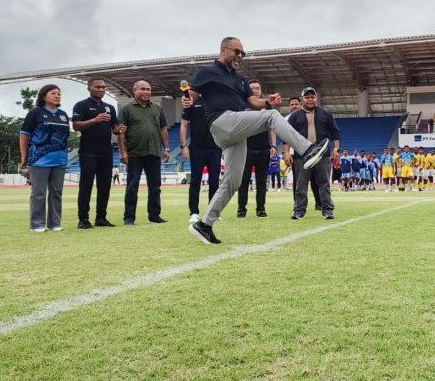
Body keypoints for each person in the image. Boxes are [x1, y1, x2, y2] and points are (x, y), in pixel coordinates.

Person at [187, 37, 329, 244]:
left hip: (235, 130)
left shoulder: (240, 79)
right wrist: (186, 100)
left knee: (232, 182)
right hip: (220, 121)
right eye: (236, 52)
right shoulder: (207, 72)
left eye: (242, 54)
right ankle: (307, 150)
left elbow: (253, 102)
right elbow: (191, 96)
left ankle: (204, 225)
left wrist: (267, 102)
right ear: (223, 49)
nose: (240, 57)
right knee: (271, 117)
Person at [282, 86, 340, 220]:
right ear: (302, 99)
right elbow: (287, 135)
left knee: (324, 184)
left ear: (316, 98)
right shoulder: (295, 116)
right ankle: (299, 210)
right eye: (307, 97)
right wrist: (286, 153)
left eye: (312, 97)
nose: (310, 100)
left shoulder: (325, 114)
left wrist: (336, 150)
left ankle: (327, 210)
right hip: (301, 155)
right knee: (300, 185)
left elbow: (335, 132)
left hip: (322, 155)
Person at [72, 79, 123, 229]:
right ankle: (83, 219)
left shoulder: (109, 108)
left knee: (105, 186)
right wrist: (95, 119)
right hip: (88, 151)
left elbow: (114, 128)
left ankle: (101, 217)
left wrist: (119, 129)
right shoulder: (81, 105)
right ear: (89, 88)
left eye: (103, 87)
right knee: (86, 185)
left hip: (106, 152)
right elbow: (76, 125)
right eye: (98, 87)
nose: (101, 89)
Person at [117, 80, 170, 225]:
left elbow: (163, 129)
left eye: (148, 89)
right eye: (143, 89)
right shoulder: (126, 108)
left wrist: (166, 149)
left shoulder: (157, 108)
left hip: (154, 152)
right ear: (134, 91)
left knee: (155, 186)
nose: (146, 92)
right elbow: (120, 132)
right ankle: (129, 217)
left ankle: (154, 215)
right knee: (132, 186)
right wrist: (123, 152)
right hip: (135, 152)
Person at [19, 84, 70, 232]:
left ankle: (55, 223)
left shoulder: (63, 114)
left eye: (59, 93)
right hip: (39, 159)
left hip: (60, 159)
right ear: (43, 96)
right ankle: (37, 224)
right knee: (39, 192)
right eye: (53, 93)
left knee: (56, 192)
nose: (57, 96)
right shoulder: (35, 113)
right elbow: (24, 135)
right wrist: (24, 156)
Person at [236, 80, 277, 219]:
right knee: (244, 181)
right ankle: (241, 209)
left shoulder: (268, 108)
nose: (255, 90)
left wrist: (273, 145)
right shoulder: (242, 106)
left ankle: (261, 208)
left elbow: (272, 128)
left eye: (257, 88)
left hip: (263, 149)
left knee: (262, 181)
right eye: (252, 88)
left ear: (261, 91)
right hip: (245, 149)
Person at [180, 94, 222, 224]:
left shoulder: (218, 101)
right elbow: (184, 124)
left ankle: (213, 211)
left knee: (214, 181)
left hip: (215, 147)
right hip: (197, 148)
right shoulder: (192, 101)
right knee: (195, 180)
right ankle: (194, 212)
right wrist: (183, 145)